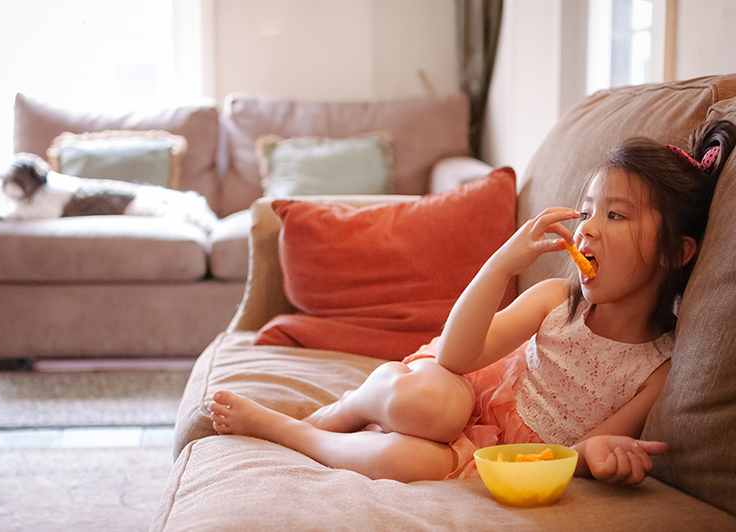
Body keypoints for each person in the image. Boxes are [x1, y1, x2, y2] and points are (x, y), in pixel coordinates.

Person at [209, 120, 736, 485]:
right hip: (454, 389)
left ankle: (297, 435)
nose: (587, 229)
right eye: (586, 211)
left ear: (675, 252)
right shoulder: (556, 300)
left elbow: (573, 456)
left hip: (494, 452)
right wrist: (501, 264)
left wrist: (593, 457)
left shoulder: (657, 371)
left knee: (419, 460)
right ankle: (352, 405)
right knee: (439, 407)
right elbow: (457, 358)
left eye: (615, 216)